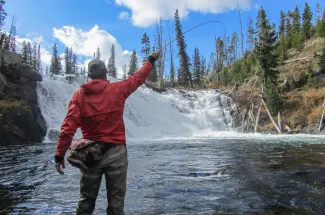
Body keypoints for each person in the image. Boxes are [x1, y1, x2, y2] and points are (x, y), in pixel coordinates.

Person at [54, 51, 160, 214]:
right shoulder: (118, 89)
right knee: (116, 203)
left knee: (86, 201)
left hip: (90, 153)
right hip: (116, 152)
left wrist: (59, 155)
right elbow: (138, 78)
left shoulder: (79, 96)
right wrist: (151, 60)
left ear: (89, 75)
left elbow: (68, 128)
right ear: (105, 74)